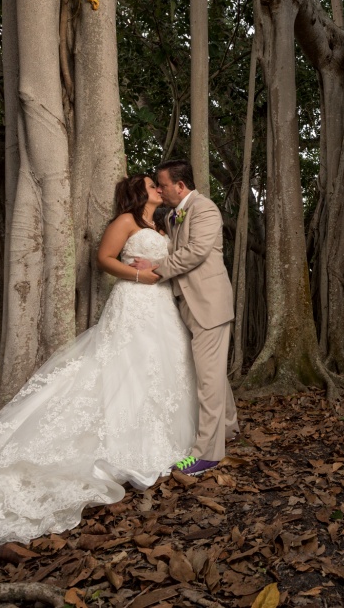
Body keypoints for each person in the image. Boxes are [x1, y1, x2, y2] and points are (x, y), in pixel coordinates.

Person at [0, 174, 198, 545]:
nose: (159, 188)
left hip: (162, 305)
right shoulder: (125, 222)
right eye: (151, 184)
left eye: (160, 185)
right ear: (137, 192)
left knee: (162, 367)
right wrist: (138, 274)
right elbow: (103, 259)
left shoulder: (160, 225)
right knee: (122, 367)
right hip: (134, 302)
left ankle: (162, 438)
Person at [133, 160, 238, 476]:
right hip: (188, 304)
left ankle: (207, 454)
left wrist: (152, 270)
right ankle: (230, 427)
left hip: (209, 304)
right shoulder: (174, 215)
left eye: (162, 185)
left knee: (207, 380)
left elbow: (194, 252)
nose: (160, 190)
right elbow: (176, 251)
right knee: (212, 373)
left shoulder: (205, 209)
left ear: (180, 186)